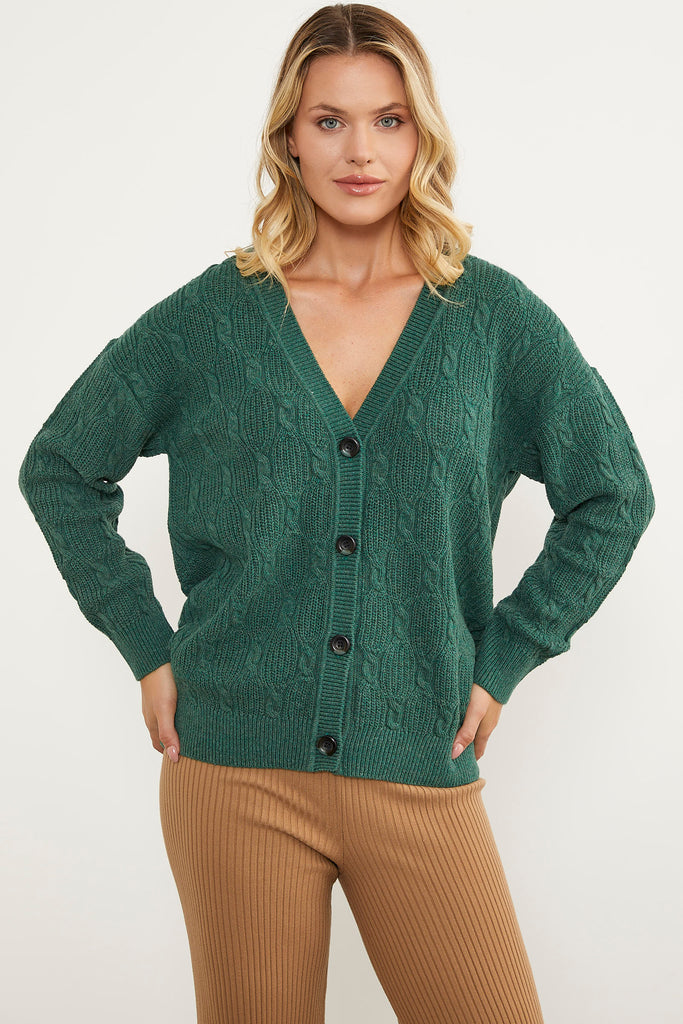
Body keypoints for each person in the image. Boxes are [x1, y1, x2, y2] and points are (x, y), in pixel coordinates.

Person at [17, 5, 655, 1023]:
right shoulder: (211, 319)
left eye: (388, 120)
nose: (360, 151)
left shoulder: (491, 321)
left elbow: (613, 492)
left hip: (419, 762)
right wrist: (145, 645)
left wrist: (507, 654)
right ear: (288, 139)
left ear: (421, 135)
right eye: (329, 121)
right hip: (231, 771)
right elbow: (60, 466)